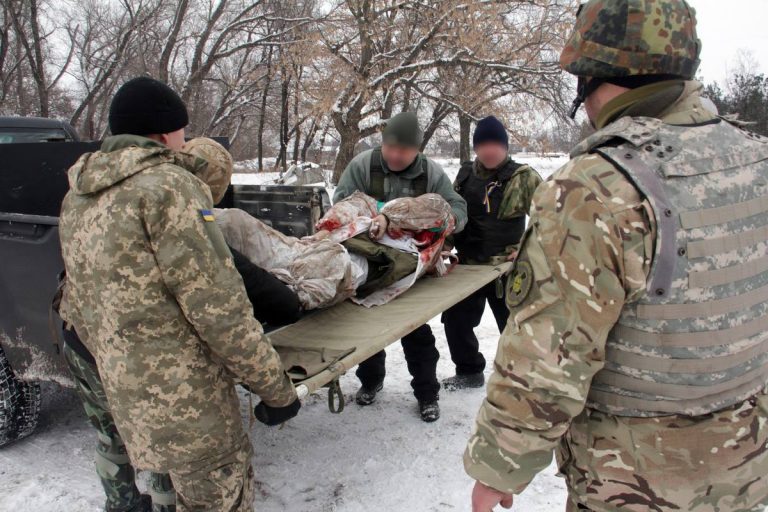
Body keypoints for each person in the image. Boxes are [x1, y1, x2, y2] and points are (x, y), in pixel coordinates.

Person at [465, 1, 768, 511]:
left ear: (596, 77)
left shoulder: (593, 188)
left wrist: (500, 466)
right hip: (746, 465)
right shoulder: (757, 158)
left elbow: (550, 354)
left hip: (632, 480)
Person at [58, 77, 300, 512]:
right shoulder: (169, 186)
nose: (184, 141)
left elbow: (89, 303)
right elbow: (219, 308)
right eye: (183, 132)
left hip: (128, 392)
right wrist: (276, 389)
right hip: (191, 407)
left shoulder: (80, 193)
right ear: (164, 132)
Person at [334, 111, 468, 422]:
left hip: (412, 269)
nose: (395, 155)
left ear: (417, 150)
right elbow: (341, 204)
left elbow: (456, 207)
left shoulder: (429, 173)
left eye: (404, 150)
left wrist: (443, 223)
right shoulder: (363, 166)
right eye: (390, 147)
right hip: (369, 263)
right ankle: (371, 381)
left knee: (416, 333)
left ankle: (426, 393)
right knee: (367, 330)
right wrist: (376, 214)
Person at [441, 116, 542, 391]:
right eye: (483, 144)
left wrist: (525, 248)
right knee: (456, 321)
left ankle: (521, 379)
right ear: (476, 147)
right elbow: (452, 214)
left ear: (505, 147)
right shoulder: (463, 175)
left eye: (496, 144)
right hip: (469, 266)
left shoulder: (524, 177)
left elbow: (550, 220)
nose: (490, 150)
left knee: (514, 327)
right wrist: (445, 243)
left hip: (506, 269)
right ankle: (469, 370)